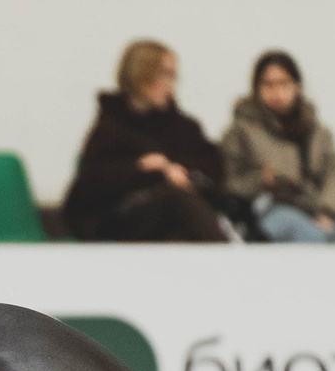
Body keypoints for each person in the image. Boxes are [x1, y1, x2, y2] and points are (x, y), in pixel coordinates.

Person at [220, 50, 335, 243]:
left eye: (284, 83)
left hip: (321, 215)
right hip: (274, 211)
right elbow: (227, 182)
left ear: (297, 86)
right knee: (299, 231)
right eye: (268, 85)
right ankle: (330, 246)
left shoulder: (317, 131)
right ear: (256, 89)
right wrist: (261, 179)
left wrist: (327, 212)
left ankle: (329, 242)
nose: (277, 93)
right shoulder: (241, 130)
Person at [62, 42, 234, 242]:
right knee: (176, 199)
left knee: (180, 232)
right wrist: (144, 169)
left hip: (167, 219)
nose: (171, 83)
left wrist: (179, 170)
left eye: (173, 75)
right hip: (118, 220)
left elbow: (213, 166)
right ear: (141, 75)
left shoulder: (182, 126)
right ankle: (230, 260)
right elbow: (90, 185)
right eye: (164, 74)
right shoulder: (111, 127)